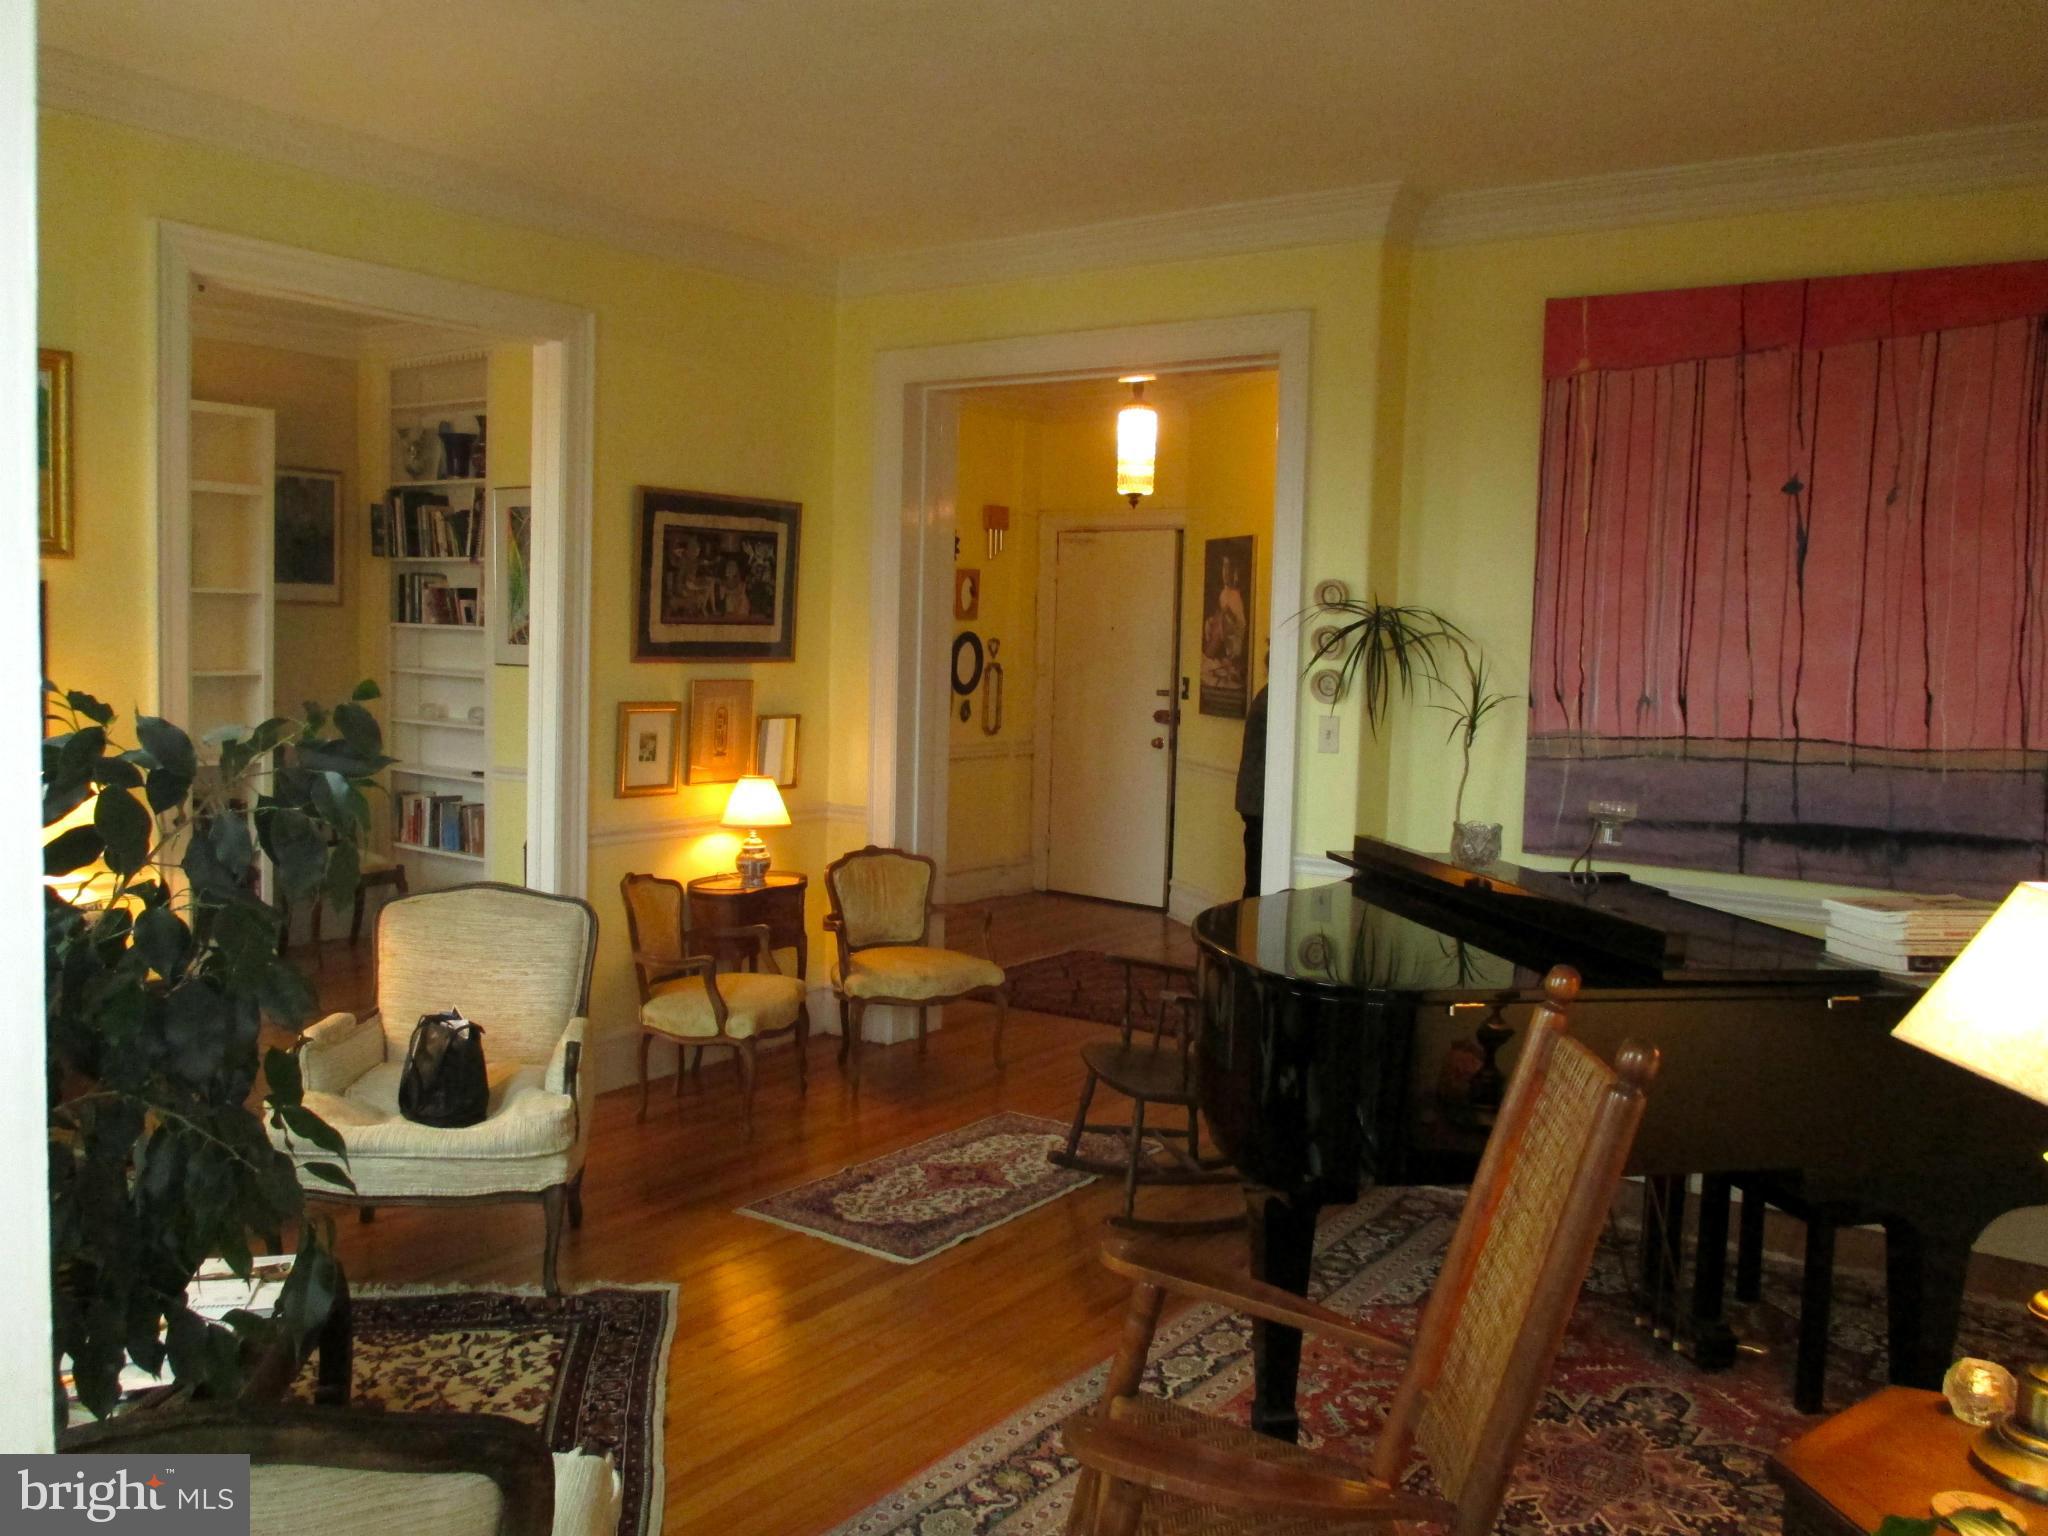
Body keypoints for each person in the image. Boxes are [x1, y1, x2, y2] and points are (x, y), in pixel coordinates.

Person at [1235, 667, 1268, 899]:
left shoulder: (1265, 695)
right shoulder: (1272, 700)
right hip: (1258, 799)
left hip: (1253, 798)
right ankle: (1251, 920)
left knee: (1256, 875)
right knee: (1257, 879)